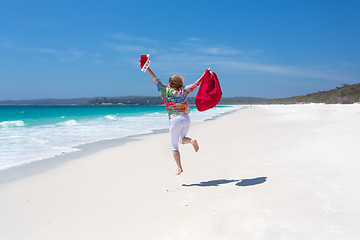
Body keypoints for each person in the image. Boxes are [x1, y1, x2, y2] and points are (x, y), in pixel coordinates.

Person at [146, 67, 206, 175]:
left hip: (175, 120)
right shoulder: (184, 90)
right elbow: (196, 83)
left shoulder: (165, 90)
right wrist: (205, 74)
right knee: (181, 139)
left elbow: (155, 78)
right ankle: (191, 141)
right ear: (180, 83)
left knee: (174, 146)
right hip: (186, 118)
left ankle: (179, 168)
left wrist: (147, 68)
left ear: (170, 83)